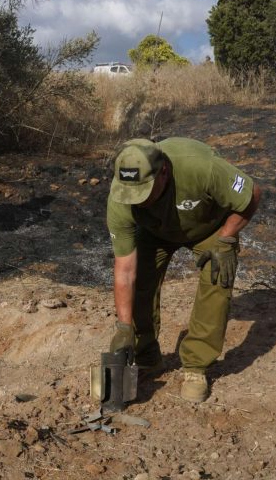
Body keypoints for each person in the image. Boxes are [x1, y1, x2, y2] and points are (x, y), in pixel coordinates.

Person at [106, 137, 262, 403]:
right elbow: (124, 271)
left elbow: (252, 194)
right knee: (140, 284)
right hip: (156, 233)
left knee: (218, 276)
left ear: (163, 172)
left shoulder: (201, 168)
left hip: (210, 228)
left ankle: (196, 366)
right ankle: (146, 358)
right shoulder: (122, 196)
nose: (138, 201)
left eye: (144, 191)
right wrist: (123, 327)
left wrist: (227, 238)